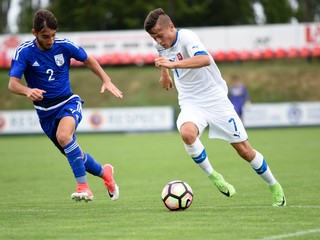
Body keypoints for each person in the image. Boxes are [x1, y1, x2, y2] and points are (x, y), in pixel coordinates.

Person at [144, 8, 286, 206]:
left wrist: (172, 66)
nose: (158, 41)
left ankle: (274, 186)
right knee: (187, 133)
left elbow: (204, 59)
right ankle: (214, 176)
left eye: (159, 36)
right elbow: (163, 56)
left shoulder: (187, 37)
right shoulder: (160, 43)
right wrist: (165, 74)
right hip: (190, 101)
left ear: (171, 27)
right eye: (154, 37)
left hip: (215, 99)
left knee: (245, 150)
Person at [8, 9, 123, 203]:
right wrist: (27, 91)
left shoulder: (64, 46)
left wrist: (106, 80)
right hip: (45, 113)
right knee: (73, 153)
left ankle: (84, 188)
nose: (51, 40)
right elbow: (12, 84)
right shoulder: (24, 52)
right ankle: (106, 173)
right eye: (45, 36)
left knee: (64, 136)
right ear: (34, 33)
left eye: (53, 35)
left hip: (68, 102)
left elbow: (88, 60)